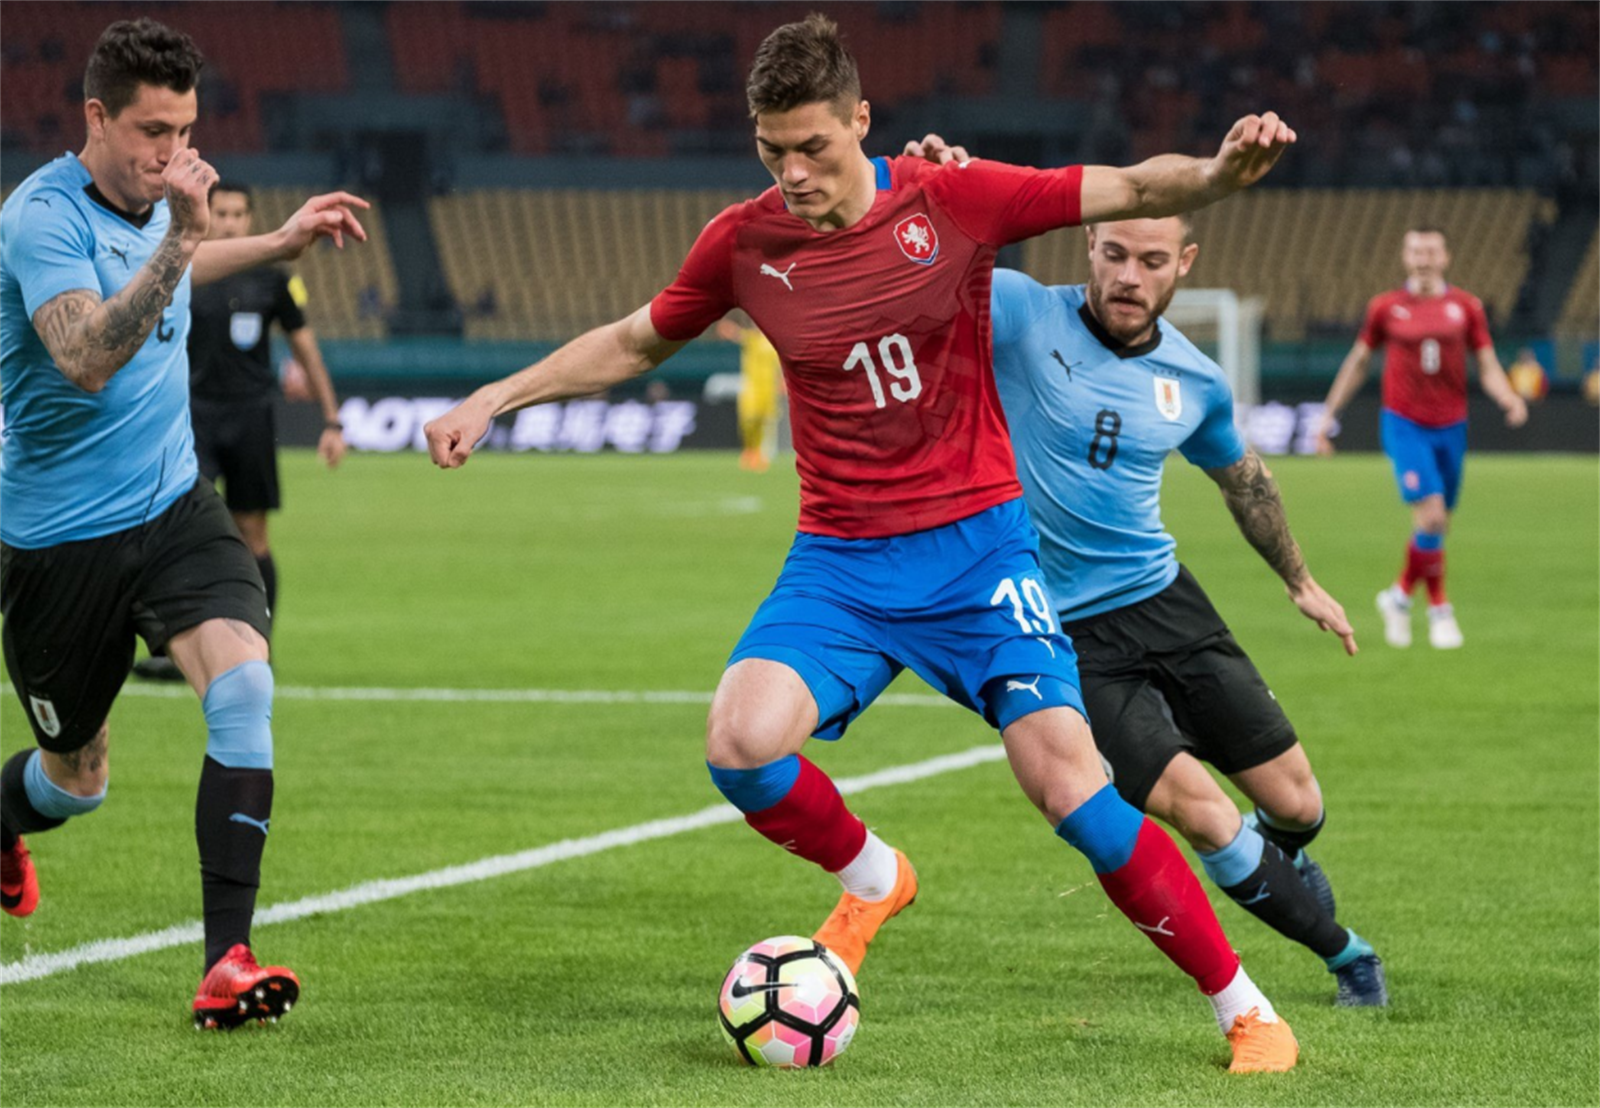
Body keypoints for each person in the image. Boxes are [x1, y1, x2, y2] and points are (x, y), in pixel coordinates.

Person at [425, 15, 1301, 1072]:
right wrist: (496, 396)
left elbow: (1130, 187)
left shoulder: (953, 198)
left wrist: (1218, 173)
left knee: (1069, 785)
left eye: (812, 147)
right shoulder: (744, 243)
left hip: (978, 553)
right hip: (841, 561)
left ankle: (1245, 1009)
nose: (792, 173)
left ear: (861, 122)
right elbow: (634, 340)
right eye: (772, 151)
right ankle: (876, 875)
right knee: (740, 742)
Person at [0, 18, 367, 1028]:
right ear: (96, 117)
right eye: (152, 132)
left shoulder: (157, 210)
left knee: (244, 682)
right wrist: (187, 236)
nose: (172, 153)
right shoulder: (39, 218)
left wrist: (274, 242)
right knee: (75, 783)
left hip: (172, 507)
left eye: (186, 130)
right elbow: (87, 353)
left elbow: (173, 262)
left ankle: (226, 960)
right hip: (58, 545)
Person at [958, 194, 1387, 1005]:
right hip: (1061, 634)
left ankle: (1281, 861)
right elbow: (921, 265)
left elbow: (1245, 481)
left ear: (1183, 265)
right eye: (1115, 253)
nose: (1130, 275)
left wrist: (1300, 581)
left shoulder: (1194, 379)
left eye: (1152, 261)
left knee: (1298, 804)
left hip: (1165, 601)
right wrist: (929, 179)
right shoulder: (1020, 312)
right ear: (1090, 242)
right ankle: (1349, 957)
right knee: (1202, 809)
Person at [132, 179, 347, 682]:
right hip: (191, 417)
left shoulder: (272, 280)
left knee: (253, 534)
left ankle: (258, 647)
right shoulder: (179, 270)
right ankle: (177, 650)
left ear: (250, 218)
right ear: (207, 215)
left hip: (251, 418)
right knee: (180, 533)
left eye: (238, 214)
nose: (229, 223)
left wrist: (332, 419)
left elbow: (305, 346)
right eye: (221, 213)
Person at [1313, 226, 1528, 649]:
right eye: (1416, 251)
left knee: (1438, 522)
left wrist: (1507, 396)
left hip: (1452, 425)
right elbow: (1358, 362)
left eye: (1431, 251)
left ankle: (1397, 597)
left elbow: (1486, 362)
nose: (1423, 259)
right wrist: (1328, 415)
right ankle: (1439, 610)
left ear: (1445, 257)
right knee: (1431, 516)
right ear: (1405, 256)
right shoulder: (1385, 307)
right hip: (1404, 423)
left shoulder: (1466, 307)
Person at [715, 317, 783, 472]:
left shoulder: (773, 344)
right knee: (749, 419)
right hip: (752, 387)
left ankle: (760, 454)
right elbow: (735, 334)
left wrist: (781, 382)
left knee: (765, 421)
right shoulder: (751, 339)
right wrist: (726, 328)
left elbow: (780, 365)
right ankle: (749, 449)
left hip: (769, 388)